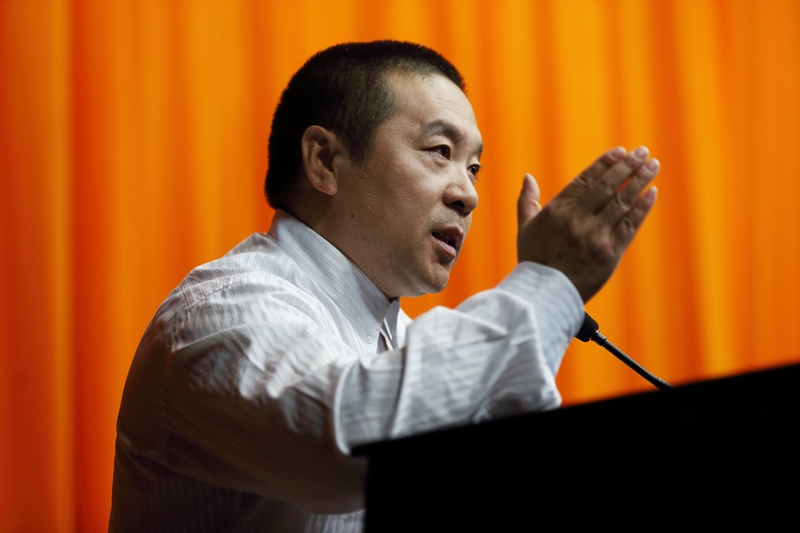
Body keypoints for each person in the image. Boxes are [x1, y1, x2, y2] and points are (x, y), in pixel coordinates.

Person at [109, 41, 659, 532]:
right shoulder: (223, 310)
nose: (468, 195)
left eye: (473, 168)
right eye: (440, 151)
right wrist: (545, 285)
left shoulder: (404, 344)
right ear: (325, 160)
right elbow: (353, 447)